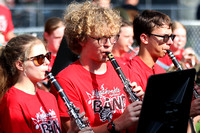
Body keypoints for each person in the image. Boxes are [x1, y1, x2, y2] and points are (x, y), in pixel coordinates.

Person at [50, 1, 144, 133]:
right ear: (81, 39)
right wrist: (117, 124)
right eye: (101, 38)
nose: (109, 44)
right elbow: (76, 131)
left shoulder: (124, 67)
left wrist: (143, 107)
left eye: (112, 37)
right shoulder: (65, 80)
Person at [0, 34, 62, 132]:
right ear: (20, 65)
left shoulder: (50, 98)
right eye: (39, 59)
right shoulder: (13, 102)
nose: (47, 62)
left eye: (47, 56)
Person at [128, 10, 174, 92]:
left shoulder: (161, 71)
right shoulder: (131, 72)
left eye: (171, 37)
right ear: (144, 38)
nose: (170, 42)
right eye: (165, 37)